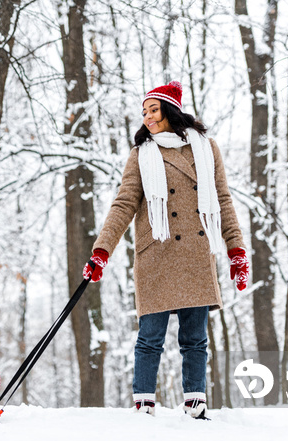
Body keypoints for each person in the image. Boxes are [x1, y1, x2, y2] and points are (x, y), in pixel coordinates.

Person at [82, 81, 249, 419]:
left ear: (170, 110)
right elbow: (124, 203)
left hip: (196, 254)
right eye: (144, 113)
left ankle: (196, 402)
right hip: (156, 252)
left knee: (195, 339)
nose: (147, 117)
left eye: (153, 110)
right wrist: (102, 250)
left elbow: (223, 200)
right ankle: (144, 403)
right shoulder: (141, 154)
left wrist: (237, 251)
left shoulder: (206, 148)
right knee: (150, 338)